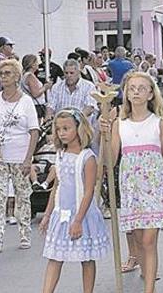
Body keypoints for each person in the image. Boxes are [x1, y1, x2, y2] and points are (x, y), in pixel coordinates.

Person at [102, 71, 163, 293]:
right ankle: (146, 270)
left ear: (150, 94)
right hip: (131, 189)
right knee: (137, 239)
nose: (136, 92)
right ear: (126, 93)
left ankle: (149, 289)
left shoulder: (160, 123)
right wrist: (104, 134)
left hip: (154, 188)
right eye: (132, 88)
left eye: (141, 88)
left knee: (148, 241)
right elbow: (110, 159)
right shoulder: (120, 124)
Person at [40, 109, 111, 293]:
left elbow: (88, 192)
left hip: (82, 215)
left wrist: (78, 220)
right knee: (55, 256)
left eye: (66, 128)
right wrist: (47, 214)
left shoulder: (87, 158)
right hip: (61, 213)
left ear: (78, 129)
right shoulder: (60, 155)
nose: (61, 133)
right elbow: (57, 187)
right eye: (58, 129)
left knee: (86, 258)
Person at [0, 59, 40, 255]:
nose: (3, 77)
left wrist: (28, 159)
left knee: (22, 196)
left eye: (7, 73)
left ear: (16, 76)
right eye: (1, 73)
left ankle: (25, 234)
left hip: (19, 154)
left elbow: (34, 131)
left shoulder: (26, 101)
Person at [22, 54, 53, 122]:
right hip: (36, 106)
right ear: (32, 64)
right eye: (36, 62)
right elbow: (35, 93)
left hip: (31, 105)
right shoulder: (30, 76)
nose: (38, 64)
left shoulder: (24, 75)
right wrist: (45, 87)